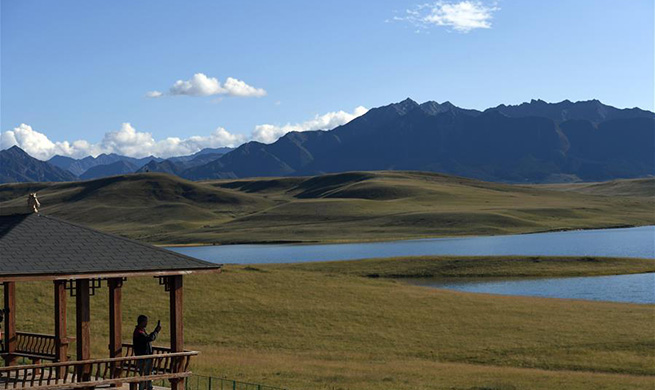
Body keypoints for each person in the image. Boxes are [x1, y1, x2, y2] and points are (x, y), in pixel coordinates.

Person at [133, 315, 161, 390]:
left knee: (148, 374)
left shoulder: (141, 331)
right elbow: (149, 338)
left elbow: (148, 338)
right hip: (143, 358)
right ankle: (143, 388)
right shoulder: (138, 332)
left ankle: (149, 387)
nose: (146, 323)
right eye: (145, 321)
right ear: (142, 322)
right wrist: (156, 331)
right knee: (143, 375)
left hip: (146, 357)